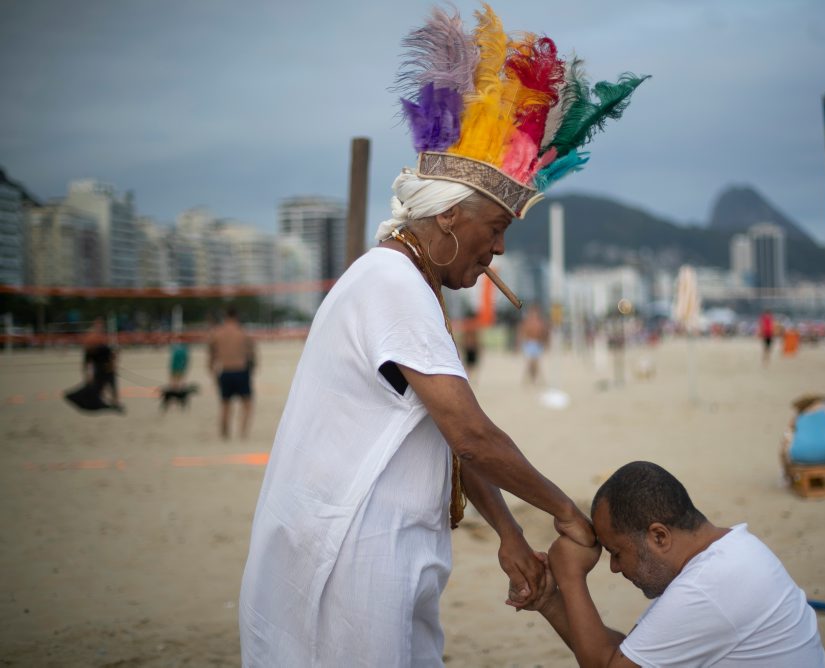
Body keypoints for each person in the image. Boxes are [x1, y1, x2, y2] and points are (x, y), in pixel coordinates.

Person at [239, 5, 647, 664]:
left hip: (377, 547)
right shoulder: (392, 283)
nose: (499, 252)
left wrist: (510, 533)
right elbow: (471, 434)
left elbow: (442, 433)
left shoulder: (406, 283)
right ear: (452, 219)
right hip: (351, 552)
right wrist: (563, 512)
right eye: (495, 231)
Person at [523, 461, 825, 667]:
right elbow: (632, 654)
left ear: (659, 536)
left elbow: (611, 665)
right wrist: (550, 601)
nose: (615, 567)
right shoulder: (732, 552)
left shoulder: (707, 588)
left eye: (617, 552)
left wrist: (571, 576)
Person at [207, 306, 256, 439]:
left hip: (225, 371)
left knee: (225, 405)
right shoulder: (243, 333)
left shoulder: (217, 333)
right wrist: (252, 370)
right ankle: (243, 433)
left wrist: (212, 372)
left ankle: (225, 434)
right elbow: (251, 355)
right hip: (241, 371)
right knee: (247, 405)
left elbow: (211, 356)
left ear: (225, 317)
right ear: (237, 317)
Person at [781, 394, 825, 471]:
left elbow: (787, 434)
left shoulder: (798, 415)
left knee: (784, 450)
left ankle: (788, 478)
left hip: (801, 455)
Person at [518, 303, 549, 385]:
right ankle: (528, 379)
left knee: (536, 363)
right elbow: (522, 332)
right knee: (530, 363)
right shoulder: (527, 321)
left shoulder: (541, 322)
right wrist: (520, 343)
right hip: (529, 343)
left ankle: (534, 379)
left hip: (538, 344)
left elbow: (545, 333)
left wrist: (545, 343)